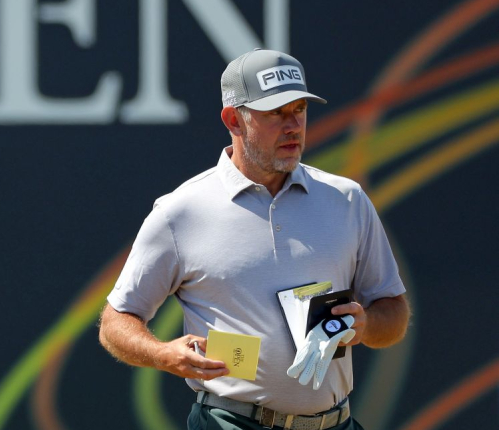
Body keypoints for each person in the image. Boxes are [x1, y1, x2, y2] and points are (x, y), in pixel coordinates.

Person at [98, 49, 409, 430]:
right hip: (231, 422)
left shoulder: (347, 199)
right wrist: (163, 354)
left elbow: (392, 309)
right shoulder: (180, 211)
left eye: (299, 109)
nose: (293, 125)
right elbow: (116, 321)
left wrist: (366, 326)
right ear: (234, 120)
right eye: (276, 112)